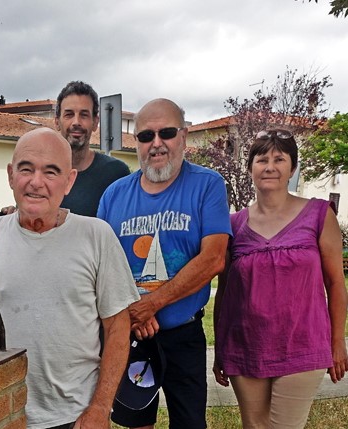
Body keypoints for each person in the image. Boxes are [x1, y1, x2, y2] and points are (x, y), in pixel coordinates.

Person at [0, 127, 140, 428]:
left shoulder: (96, 236)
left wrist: (100, 407)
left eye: (51, 172)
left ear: (69, 181)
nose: (36, 182)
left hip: (74, 417)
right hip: (0, 412)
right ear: (10, 175)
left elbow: (118, 327)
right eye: (26, 169)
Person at [97, 98, 231, 429]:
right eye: (145, 136)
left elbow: (214, 258)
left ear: (183, 137)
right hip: (128, 335)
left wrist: (152, 304)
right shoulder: (114, 195)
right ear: (137, 142)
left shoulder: (207, 185)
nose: (156, 144)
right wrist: (133, 311)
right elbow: (97, 265)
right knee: (135, 423)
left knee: (189, 423)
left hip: (183, 334)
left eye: (166, 133)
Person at [213, 129, 348, 429]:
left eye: (279, 159)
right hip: (245, 346)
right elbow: (224, 291)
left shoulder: (318, 215)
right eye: (261, 159)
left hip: (302, 345)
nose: (270, 166)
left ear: (292, 168)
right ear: (250, 168)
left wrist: (337, 342)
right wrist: (221, 348)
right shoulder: (234, 224)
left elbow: (336, 283)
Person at [55, 81, 130, 217]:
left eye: (84, 115)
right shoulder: (41, 173)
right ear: (57, 122)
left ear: (95, 123)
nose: (76, 122)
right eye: (69, 114)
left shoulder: (116, 174)